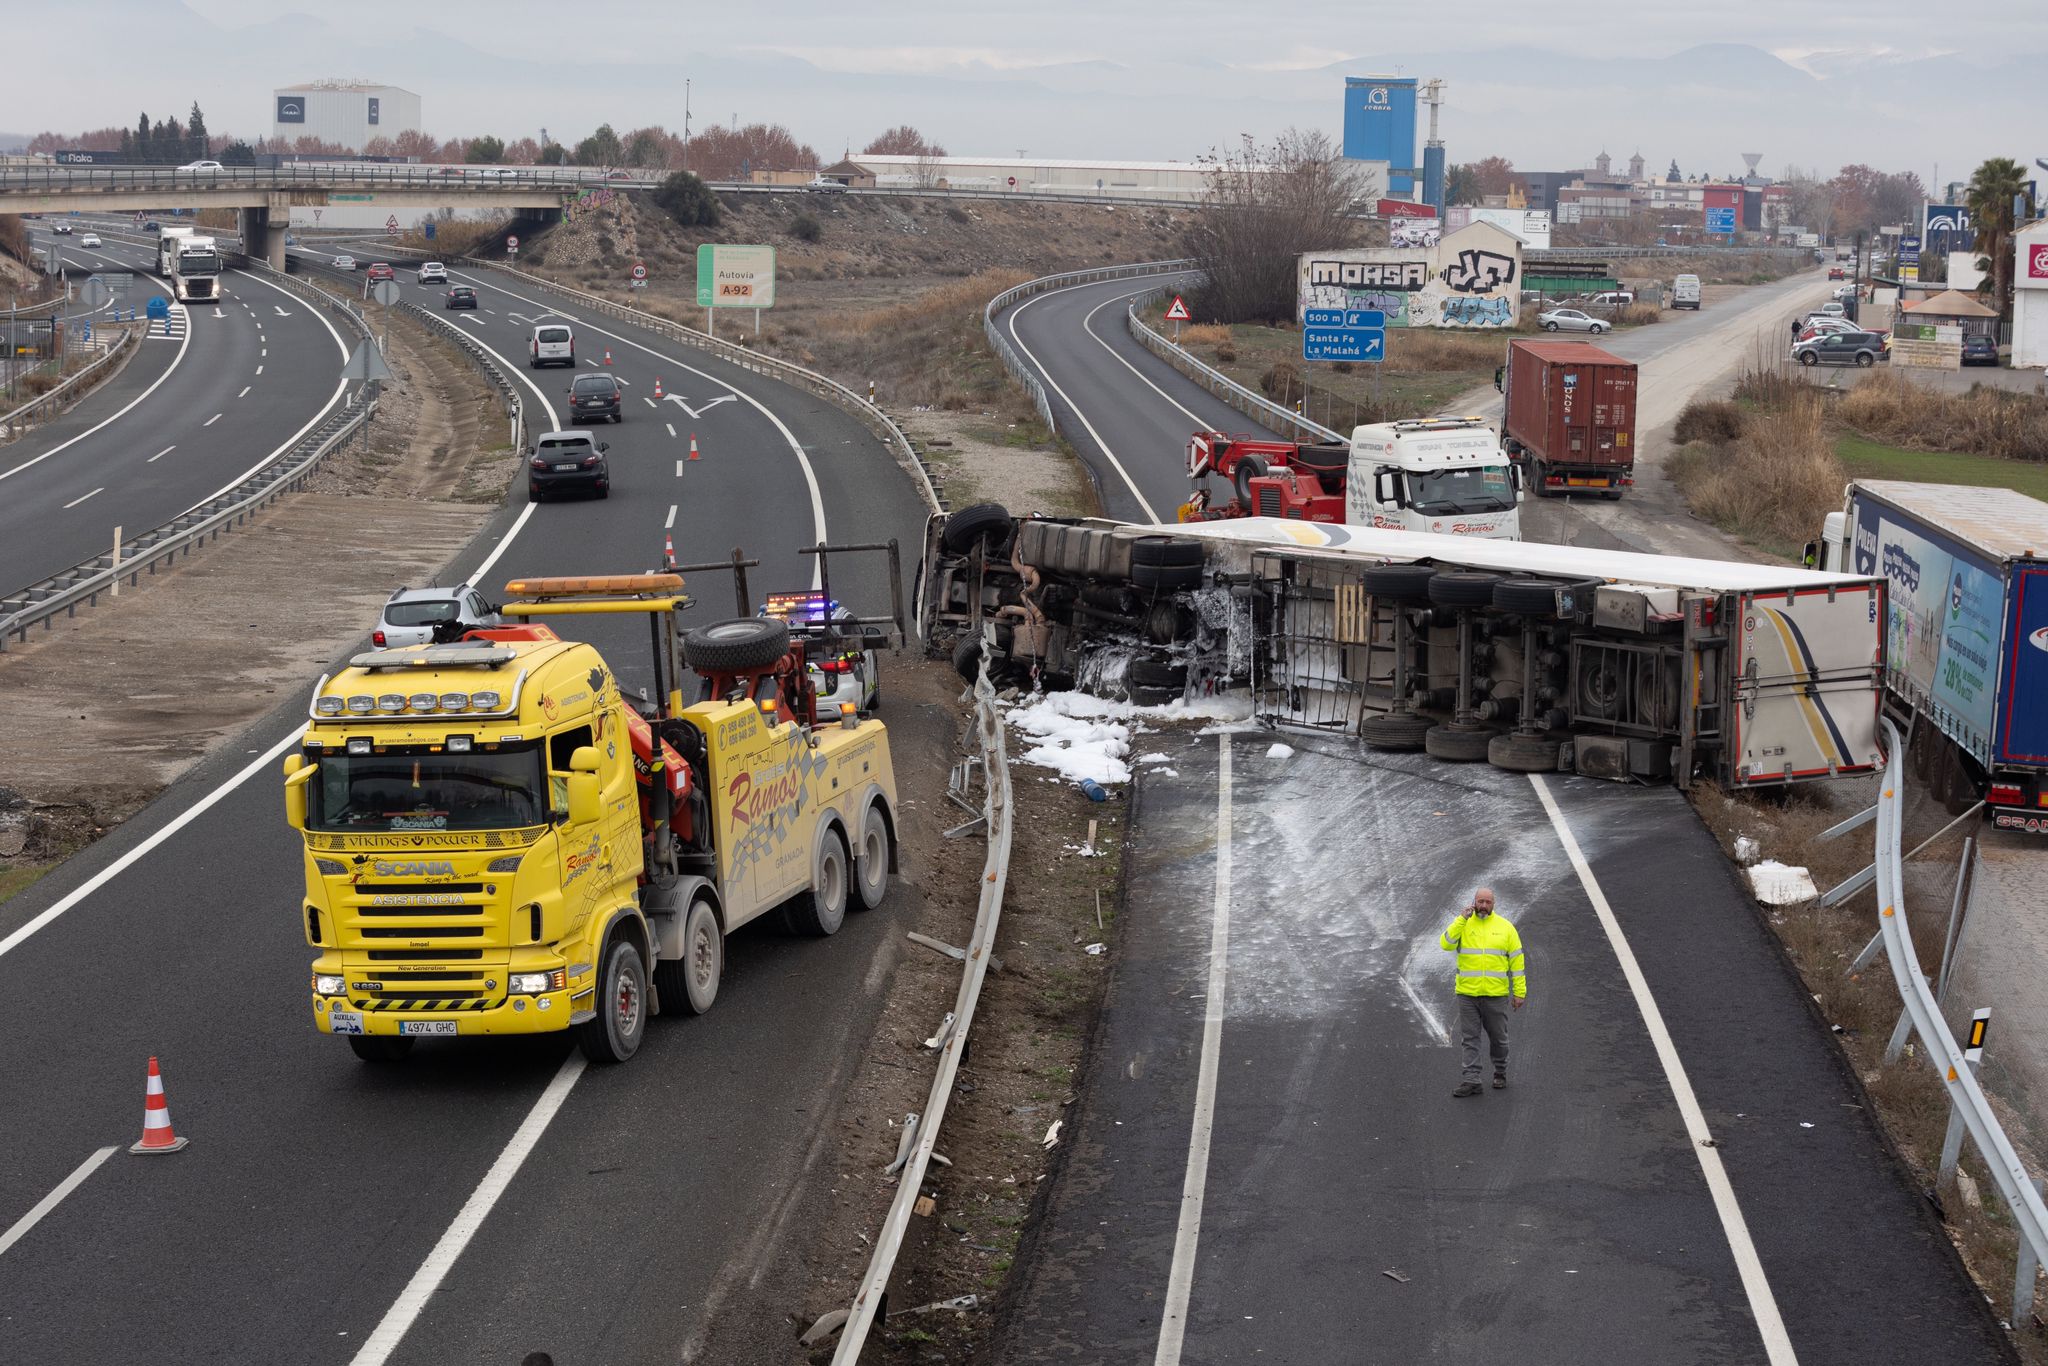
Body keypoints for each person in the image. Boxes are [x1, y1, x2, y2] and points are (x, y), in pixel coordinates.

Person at [1441, 887, 1526, 1097]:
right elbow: (1446, 944)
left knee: (1499, 1038)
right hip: (1467, 994)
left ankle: (1500, 1071)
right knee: (1470, 1039)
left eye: (1488, 902)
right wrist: (1461, 920)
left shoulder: (1506, 928)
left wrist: (1519, 992)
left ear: (1493, 904)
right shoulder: (1463, 924)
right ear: (1474, 902)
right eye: (1480, 901)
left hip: (1495, 996)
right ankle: (1472, 1080)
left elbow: (1517, 963)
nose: (1484, 906)